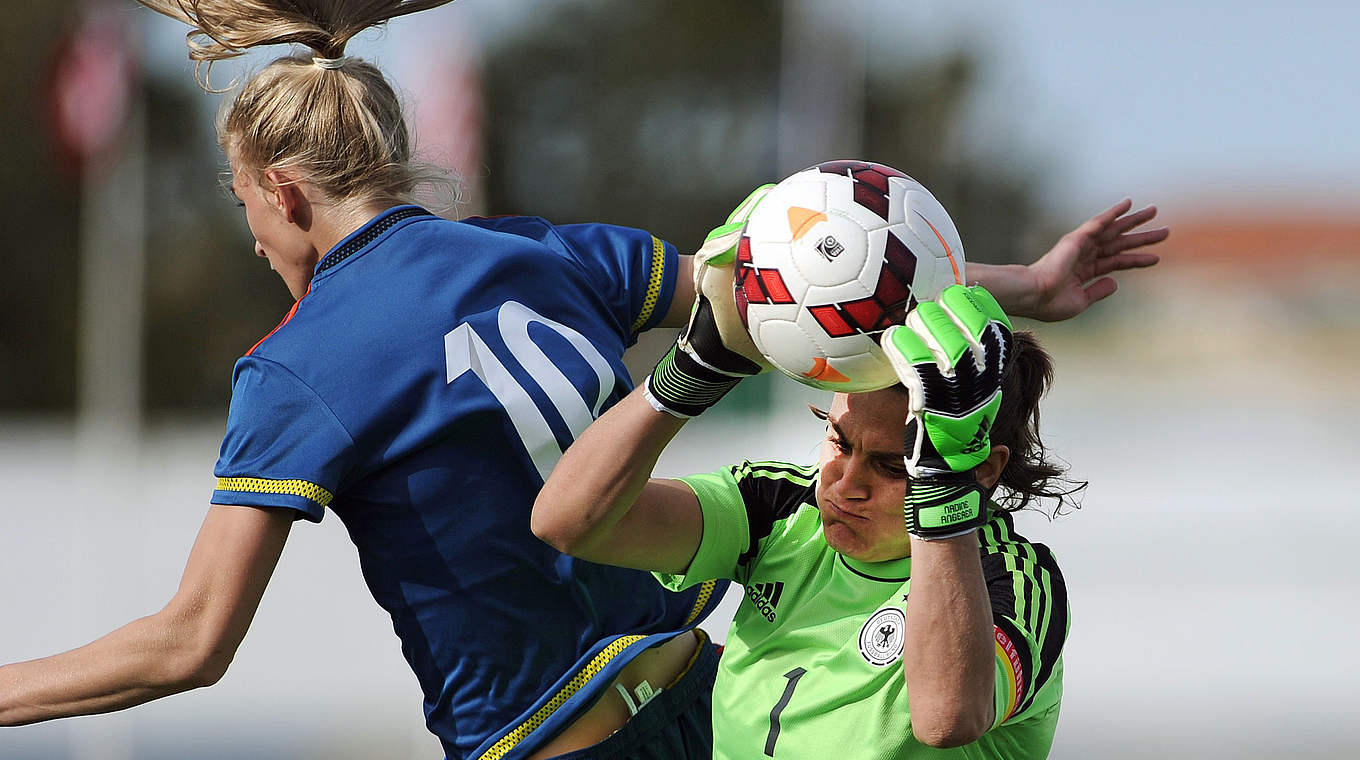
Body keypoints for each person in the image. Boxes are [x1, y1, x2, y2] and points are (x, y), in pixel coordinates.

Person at [0, 2, 1165, 758]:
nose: (254, 238)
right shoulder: (552, 256)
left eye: (245, 205)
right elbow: (802, 286)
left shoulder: (297, 366)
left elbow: (190, 642)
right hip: (702, 696)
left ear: (286, 194)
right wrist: (1020, 282)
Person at [531, 240, 1084, 755]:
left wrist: (941, 491)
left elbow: (945, 718)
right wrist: (695, 369)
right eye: (839, 442)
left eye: (896, 466)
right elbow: (568, 521)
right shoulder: (781, 507)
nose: (845, 484)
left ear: (980, 470)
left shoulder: (1010, 582)